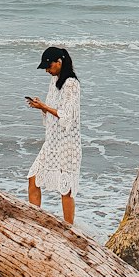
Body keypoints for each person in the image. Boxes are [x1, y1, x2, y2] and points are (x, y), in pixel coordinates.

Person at [26, 46, 81, 224]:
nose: (47, 71)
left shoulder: (71, 83)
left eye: (49, 67)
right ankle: (35, 223)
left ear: (60, 62)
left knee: (66, 189)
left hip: (67, 143)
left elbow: (66, 116)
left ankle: (69, 230)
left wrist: (43, 107)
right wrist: (41, 106)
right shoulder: (55, 81)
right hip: (52, 142)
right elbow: (52, 111)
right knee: (33, 178)